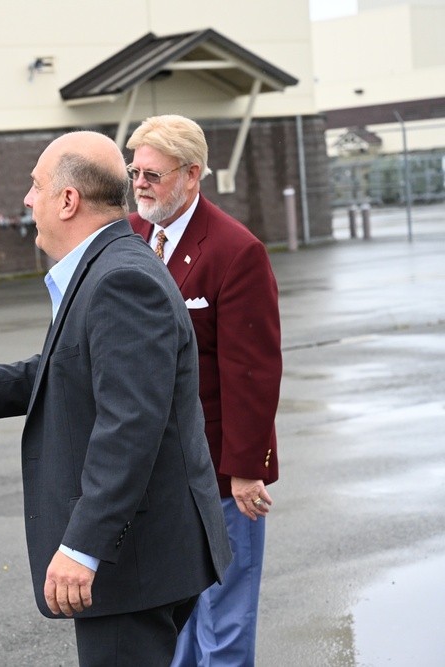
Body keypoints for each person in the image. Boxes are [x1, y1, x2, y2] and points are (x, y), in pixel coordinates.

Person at [0, 130, 232, 666]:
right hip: (140, 554)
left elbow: (130, 426)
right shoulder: (106, 266)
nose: (26, 200)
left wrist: (83, 546)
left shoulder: (120, 279)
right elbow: (71, 370)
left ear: (68, 200)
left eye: (35, 186)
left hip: (130, 561)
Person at [125, 114, 283, 667]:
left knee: (227, 616)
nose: (140, 183)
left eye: (153, 174)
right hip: (157, 469)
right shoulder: (131, 235)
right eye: (135, 171)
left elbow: (252, 372)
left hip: (219, 471)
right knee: (177, 616)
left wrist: (245, 467)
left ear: (192, 175)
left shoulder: (236, 251)